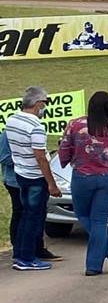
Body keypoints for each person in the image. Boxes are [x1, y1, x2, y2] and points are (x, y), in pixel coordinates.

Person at [58, 91, 108, 276]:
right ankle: (94, 265)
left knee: (82, 214)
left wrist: (65, 160)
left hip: (82, 177)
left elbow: (64, 149)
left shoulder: (75, 125)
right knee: (99, 220)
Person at [6, 87, 62, 271]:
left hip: (21, 173)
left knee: (25, 215)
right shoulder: (36, 126)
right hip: (35, 177)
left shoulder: (12, 120)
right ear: (38, 104)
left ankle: (20, 253)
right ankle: (27, 259)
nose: (44, 108)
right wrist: (51, 183)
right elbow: (40, 157)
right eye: (44, 104)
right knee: (34, 218)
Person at [2, 128, 59, 264]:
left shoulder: (34, 131)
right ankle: (19, 249)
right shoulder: (8, 133)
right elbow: (4, 157)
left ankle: (37, 248)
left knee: (38, 214)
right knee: (21, 214)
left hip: (36, 179)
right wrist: (28, 160)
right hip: (15, 181)